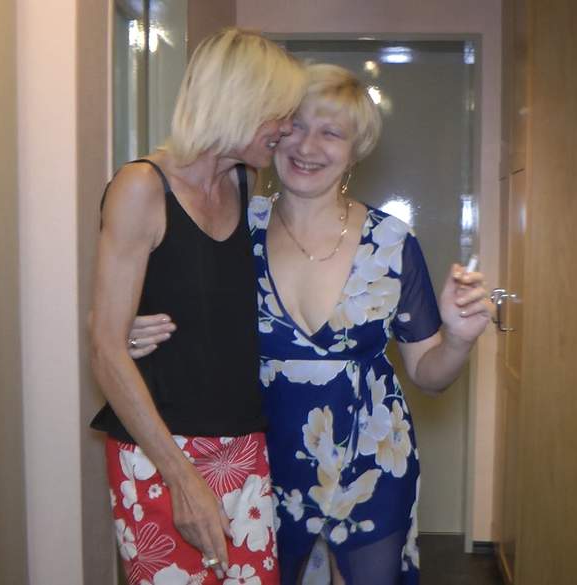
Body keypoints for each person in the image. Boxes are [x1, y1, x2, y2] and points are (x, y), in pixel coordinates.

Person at [129, 63, 491, 584]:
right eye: (296, 125)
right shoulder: (235, 228)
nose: (307, 145)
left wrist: (456, 339)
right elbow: (187, 320)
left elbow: (429, 375)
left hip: (374, 463)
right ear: (273, 131)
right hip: (259, 463)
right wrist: (137, 331)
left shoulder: (391, 242)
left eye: (331, 132)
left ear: (355, 150)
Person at [89, 28, 306, 585]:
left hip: (243, 442)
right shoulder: (141, 188)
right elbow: (107, 350)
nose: (287, 128)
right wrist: (182, 479)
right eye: (279, 113)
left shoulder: (244, 179)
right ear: (239, 101)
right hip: (159, 450)